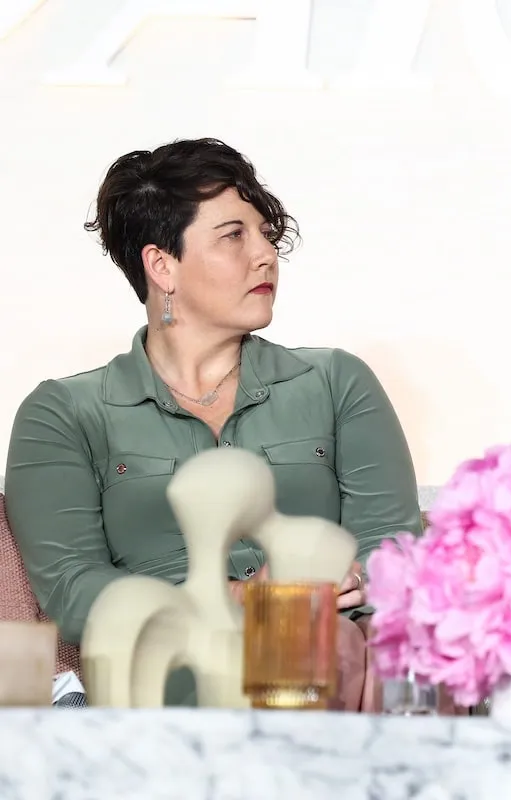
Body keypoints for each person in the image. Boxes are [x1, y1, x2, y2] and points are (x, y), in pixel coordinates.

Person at [5, 138, 422, 710]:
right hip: (166, 664)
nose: (265, 255)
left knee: (344, 654)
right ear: (162, 265)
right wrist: (240, 599)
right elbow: (75, 592)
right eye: (234, 236)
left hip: (333, 648)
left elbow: (393, 551)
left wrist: (315, 604)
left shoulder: (336, 381)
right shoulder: (64, 412)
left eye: (268, 236)